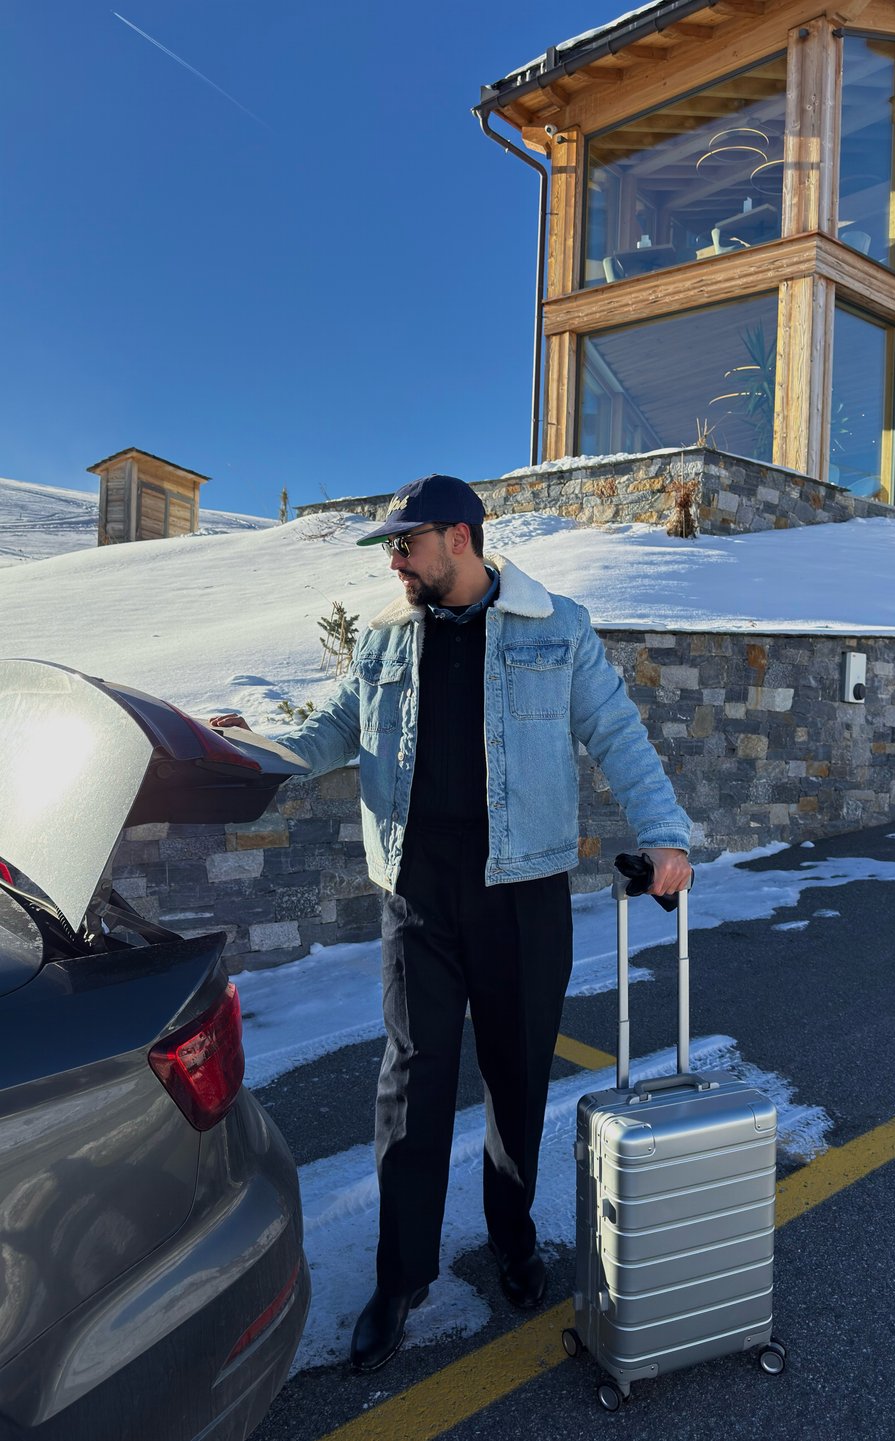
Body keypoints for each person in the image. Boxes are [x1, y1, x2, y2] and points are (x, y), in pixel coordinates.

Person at [211, 473, 692, 1373]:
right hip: (419, 895)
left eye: (407, 544)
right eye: (391, 547)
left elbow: (617, 733)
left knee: (516, 1077)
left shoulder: (558, 627)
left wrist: (665, 834)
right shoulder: (388, 641)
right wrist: (251, 745)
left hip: (524, 891)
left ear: (460, 539)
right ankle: (401, 1277)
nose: (394, 561)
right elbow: (326, 735)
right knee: (413, 1084)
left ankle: (511, 1238)